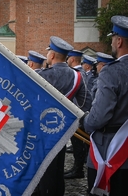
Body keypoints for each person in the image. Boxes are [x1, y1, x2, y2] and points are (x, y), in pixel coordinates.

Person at [33, 36, 92, 196]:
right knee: (58, 167)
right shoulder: (78, 76)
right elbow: (85, 104)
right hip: (63, 128)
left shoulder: (42, 75)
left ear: (51, 56)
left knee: (43, 168)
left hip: (41, 130)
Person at [80, 15, 128, 196]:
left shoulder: (112, 72)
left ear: (119, 41)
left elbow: (98, 117)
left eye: (113, 39)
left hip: (111, 151)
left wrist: (86, 122)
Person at [64, 49, 91, 179]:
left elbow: (85, 97)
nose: (67, 60)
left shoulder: (77, 74)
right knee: (76, 143)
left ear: (73, 59)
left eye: (68, 58)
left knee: (78, 144)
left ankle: (78, 169)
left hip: (78, 113)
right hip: (78, 112)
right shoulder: (80, 73)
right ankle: (76, 167)